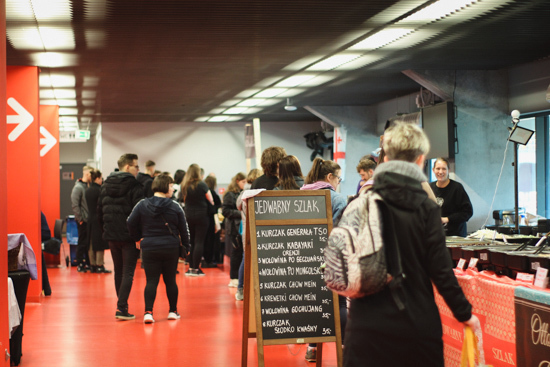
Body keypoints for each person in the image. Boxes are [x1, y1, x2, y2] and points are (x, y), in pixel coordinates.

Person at [343, 122, 479, 367]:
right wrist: (465, 314)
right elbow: (440, 271)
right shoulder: (426, 209)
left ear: (385, 158)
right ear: (420, 160)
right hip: (416, 325)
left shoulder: (359, 204)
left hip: (365, 328)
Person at [300, 158, 348, 362]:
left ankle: (312, 348)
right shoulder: (337, 199)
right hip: (331, 259)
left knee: (314, 303)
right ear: (330, 177)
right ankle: (344, 348)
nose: (339, 182)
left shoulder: (298, 196)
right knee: (339, 303)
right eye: (338, 178)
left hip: (300, 258)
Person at [127, 174, 190, 324]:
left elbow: (130, 222)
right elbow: (183, 229)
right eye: (170, 186)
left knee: (151, 281)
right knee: (170, 281)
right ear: (163, 186)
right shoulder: (175, 206)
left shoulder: (142, 204)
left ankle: (148, 312)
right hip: (170, 247)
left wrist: (137, 238)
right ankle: (173, 311)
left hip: (149, 247)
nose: (172, 189)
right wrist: (186, 247)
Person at [98, 153, 144, 320]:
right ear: (127, 167)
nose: (138, 169)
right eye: (136, 166)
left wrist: (105, 229)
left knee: (119, 271)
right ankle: (121, 307)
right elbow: (140, 213)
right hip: (129, 236)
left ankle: (122, 306)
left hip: (111, 235)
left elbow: (99, 211)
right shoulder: (135, 185)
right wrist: (139, 235)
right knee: (128, 272)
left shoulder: (105, 184)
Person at [181, 163, 214, 276]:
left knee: (191, 242)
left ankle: (190, 268)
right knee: (199, 242)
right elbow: (211, 200)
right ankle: (196, 269)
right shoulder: (202, 184)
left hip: (188, 215)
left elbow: (184, 200)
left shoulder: (184, 185)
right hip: (201, 215)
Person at [235, 168, 263, 301]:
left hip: (245, 230)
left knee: (245, 259)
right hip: (254, 231)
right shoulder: (259, 194)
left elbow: (238, 206)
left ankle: (241, 289)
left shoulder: (243, 194)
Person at [429, 157, 473, 237]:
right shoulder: (429, 187)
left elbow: (467, 212)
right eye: (438, 169)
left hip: (456, 236)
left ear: (449, 170)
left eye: (444, 169)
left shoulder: (457, 188)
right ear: (433, 170)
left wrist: (447, 219)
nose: (440, 172)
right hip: (436, 235)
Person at [85, 169, 112, 273]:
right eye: (101, 178)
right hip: (99, 218)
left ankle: (92, 265)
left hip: (90, 218)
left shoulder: (87, 190)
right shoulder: (100, 190)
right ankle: (100, 264)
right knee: (100, 242)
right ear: (97, 178)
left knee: (91, 242)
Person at [222, 172, 246, 287]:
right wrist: (241, 213)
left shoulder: (241, 193)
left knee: (240, 252)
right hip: (233, 228)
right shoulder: (230, 195)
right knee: (236, 253)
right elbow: (225, 211)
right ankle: (234, 277)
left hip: (239, 226)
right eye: (243, 182)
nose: (245, 184)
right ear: (237, 181)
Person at [71, 165, 93, 272]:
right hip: (83, 220)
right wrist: (80, 219)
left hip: (89, 220)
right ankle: (80, 263)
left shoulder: (88, 186)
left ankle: (87, 263)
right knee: (82, 242)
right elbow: (75, 205)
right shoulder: (78, 187)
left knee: (88, 242)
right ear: (86, 174)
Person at [202, 174, 222, 267]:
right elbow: (217, 205)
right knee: (211, 240)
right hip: (212, 218)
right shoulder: (213, 193)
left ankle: (205, 259)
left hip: (204, 217)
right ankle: (210, 260)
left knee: (204, 239)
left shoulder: (203, 193)